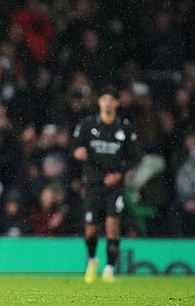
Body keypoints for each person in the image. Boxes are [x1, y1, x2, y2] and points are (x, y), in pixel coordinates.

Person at [70, 85, 139, 283]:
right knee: (91, 230)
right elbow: (74, 149)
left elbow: (135, 157)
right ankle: (92, 260)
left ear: (117, 103)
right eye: (104, 99)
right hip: (92, 183)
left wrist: (120, 174)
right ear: (99, 102)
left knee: (112, 225)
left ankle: (109, 269)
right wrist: (77, 153)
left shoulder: (124, 128)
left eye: (111, 100)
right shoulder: (88, 125)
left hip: (113, 185)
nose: (107, 103)